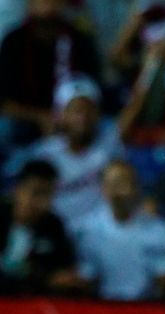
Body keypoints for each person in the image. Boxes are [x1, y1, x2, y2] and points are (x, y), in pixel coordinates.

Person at [73, 158, 165, 300]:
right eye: (113, 184)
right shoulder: (88, 230)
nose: (120, 190)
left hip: (147, 308)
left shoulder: (158, 228)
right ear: (103, 189)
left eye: (124, 182)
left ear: (136, 187)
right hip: (104, 309)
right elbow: (87, 277)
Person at [0, 0, 103, 147]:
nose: (47, 7)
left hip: (71, 117)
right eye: (41, 1)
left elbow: (92, 94)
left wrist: (66, 117)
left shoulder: (79, 40)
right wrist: (41, 117)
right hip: (26, 119)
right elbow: (5, 103)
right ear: (29, 5)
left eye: (53, 1)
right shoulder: (14, 41)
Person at [26, 75, 121, 226]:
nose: (82, 117)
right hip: (56, 232)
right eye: (76, 110)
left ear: (97, 114)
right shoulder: (43, 154)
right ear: (61, 115)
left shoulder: (109, 147)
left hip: (99, 235)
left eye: (88, 110)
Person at [0, 159, 83, 295]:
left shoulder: (54, 226)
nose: (42, 203)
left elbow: (63, 272)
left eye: (48, 195)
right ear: (18, 190)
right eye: (36, 193)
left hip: (34, 306)